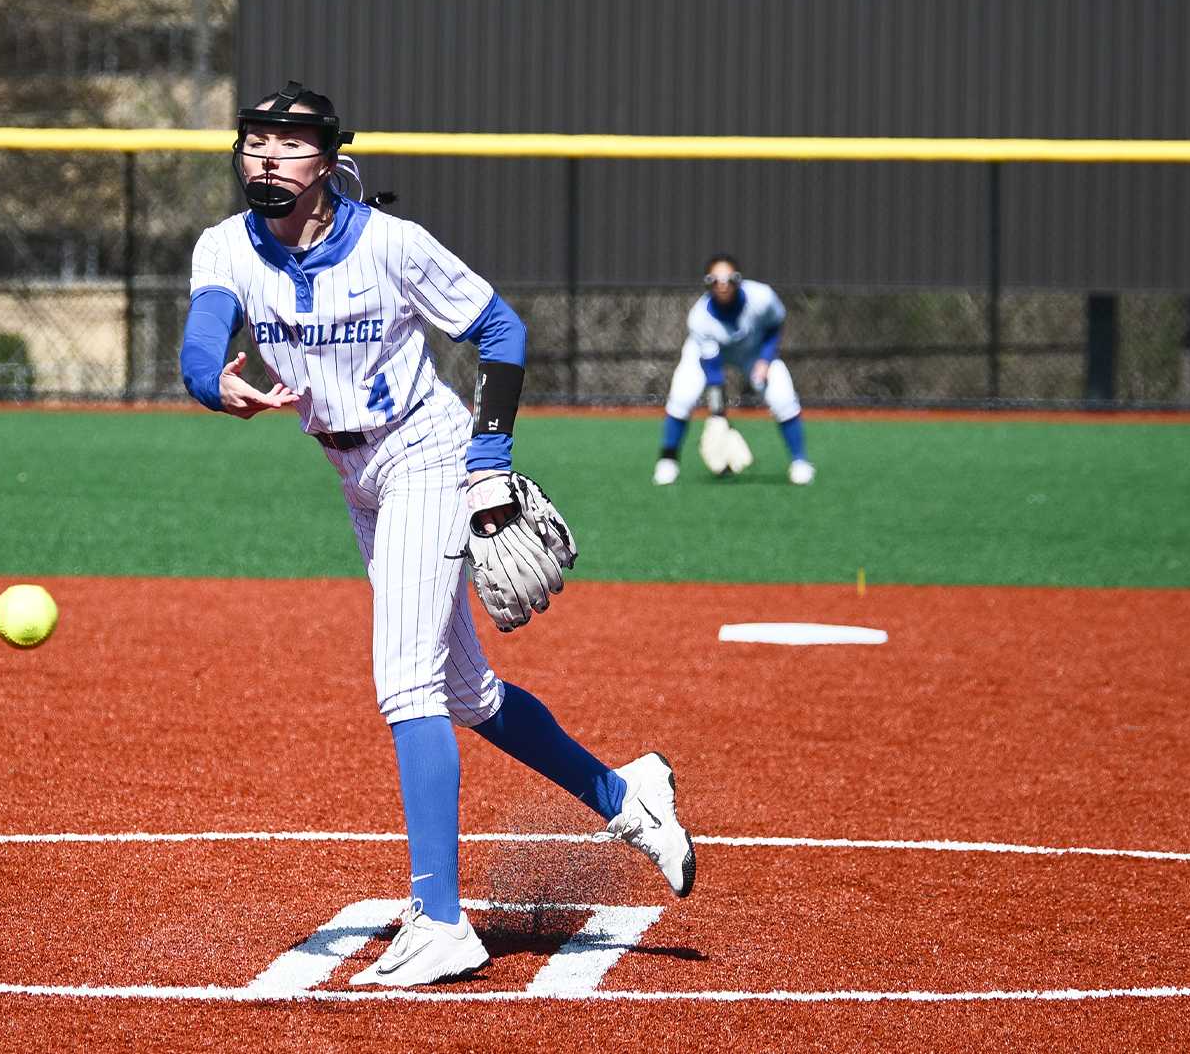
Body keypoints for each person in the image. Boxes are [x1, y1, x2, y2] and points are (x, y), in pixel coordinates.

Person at [179, 83, 695, 987]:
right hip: (355, 475)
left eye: (288, 143)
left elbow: (500, 329)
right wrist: (213, 383)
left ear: (329, 159)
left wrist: (489, 458)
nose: (266, 157)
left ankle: (444, 921)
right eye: (254, 141)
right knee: (464, 688)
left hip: (426, 454)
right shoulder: (227, 246)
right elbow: (200, 340)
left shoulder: (389, 244)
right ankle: (626, 795)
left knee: (405, 680)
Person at [653, 255, 814, 486]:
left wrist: (766, 359)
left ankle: (800, 463)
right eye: (715, 279)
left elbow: (775, 325)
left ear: (740, 279)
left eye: (729, 278)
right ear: (706, 283)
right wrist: (719, 416)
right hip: (706, 353)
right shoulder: (699, 317)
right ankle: (668, 462)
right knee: (681, 398)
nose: (723, 284)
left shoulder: (762, 297)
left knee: (783, 397)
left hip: (753, 351)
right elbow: (713, 368)